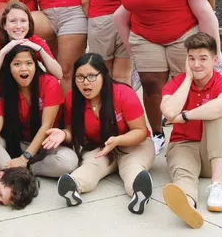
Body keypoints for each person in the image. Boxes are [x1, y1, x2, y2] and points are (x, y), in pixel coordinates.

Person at [107, 0, 201, 156]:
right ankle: (158, 134)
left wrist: (209, 12)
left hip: (181, 33)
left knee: (185, 85)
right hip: (145, 35)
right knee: (150, 85)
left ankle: (186, 134)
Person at [43, 53, 154, 214]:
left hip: (134, 145)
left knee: (132, 168)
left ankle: (139, 193)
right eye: (80, 77)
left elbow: (141, 132)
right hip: (99, 147)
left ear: (104, 76)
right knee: (91, 167)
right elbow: (73, 131)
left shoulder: (123, 93)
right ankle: (72, 187)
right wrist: (63, 134)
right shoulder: (73, 98)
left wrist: (118, 140)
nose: (85, 82)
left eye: (91, 76)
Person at [0, 45, 78, 178]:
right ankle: (17, 174)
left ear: (35, 65)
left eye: (29, 63)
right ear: (9, 68)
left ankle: (26, 171)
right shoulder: (7, 91)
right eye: (17, 64)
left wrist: (25, 159)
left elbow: (46, 126)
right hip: (19, 144)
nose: (24, 68)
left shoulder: (49, 83)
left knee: (68, 161)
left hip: (46, 144)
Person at [160, 33, 222, 229]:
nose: (196, 64)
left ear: (215, 60)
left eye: (203, 59)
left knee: (216, 113)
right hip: (183, 146)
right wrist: (187, 78)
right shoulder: (178, 83)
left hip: (215, 153)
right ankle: (187, 202)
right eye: (191, 58)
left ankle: (218, 186)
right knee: (183, 175)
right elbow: (168, 111)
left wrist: (185, 116)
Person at [0, 1, 63, 95]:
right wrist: (3, 51)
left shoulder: (36, 41)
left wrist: (40, 50)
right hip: (0, 93)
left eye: (23, 21)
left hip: (28, 93)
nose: (18, 26)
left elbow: (58, 74)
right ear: (4, 25)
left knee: (52, 82)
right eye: (13, 21)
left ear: (29, 24)